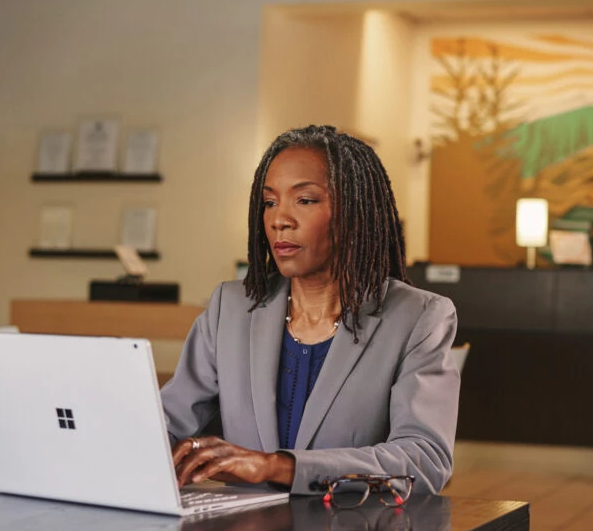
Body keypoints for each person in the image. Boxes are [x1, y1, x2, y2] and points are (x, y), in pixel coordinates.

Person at [162, 125, 460, 496]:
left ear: (355, 212)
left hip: (352, 527)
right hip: (240, 529)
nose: (279, 220)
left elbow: (424, 459)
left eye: (304, 200)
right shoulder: (230, 308)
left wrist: (276, 466)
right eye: (269, 202)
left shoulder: (419, 318)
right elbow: (167, 422)